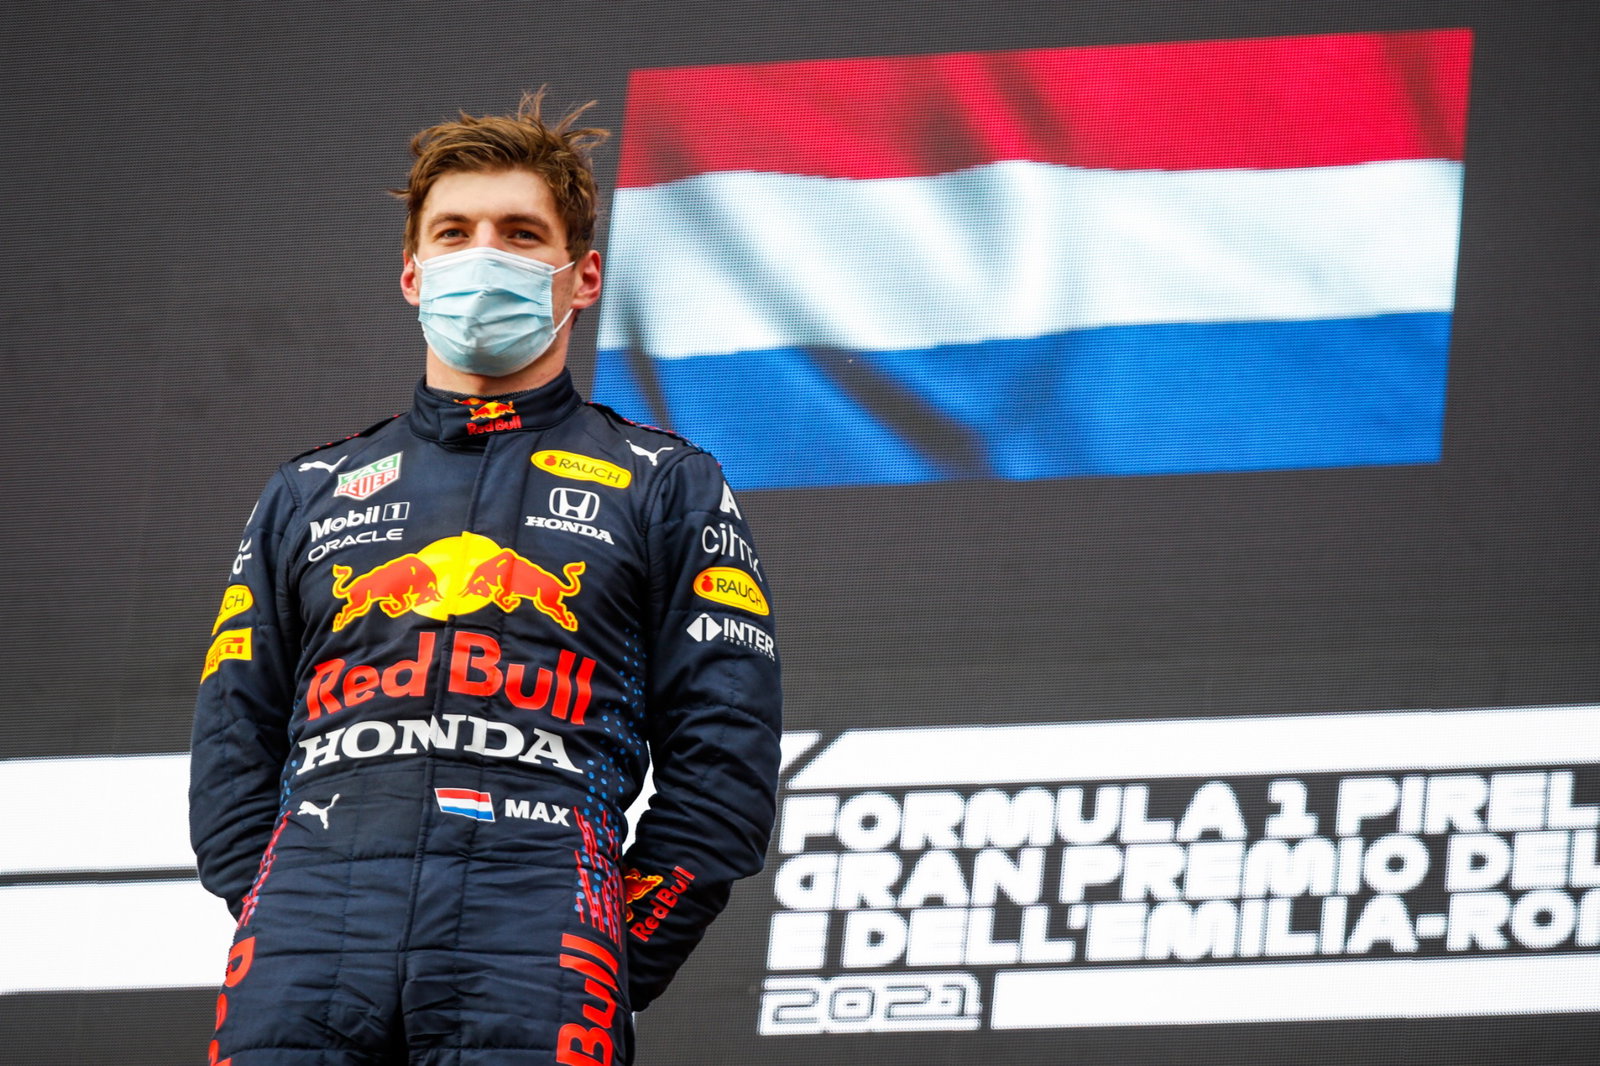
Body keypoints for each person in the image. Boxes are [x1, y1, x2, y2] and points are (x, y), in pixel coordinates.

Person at [189, 92, 782, 1066]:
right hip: (303, 949)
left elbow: (723, 768)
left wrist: (611, 946)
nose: (484, 255)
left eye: (519, 233)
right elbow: (229, 740)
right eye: (455, 232)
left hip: (538, 946)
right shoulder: (308, 491)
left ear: (580, 275)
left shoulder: (667, 485)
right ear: (413, 273)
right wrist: (280, 900)